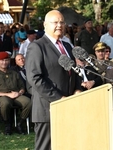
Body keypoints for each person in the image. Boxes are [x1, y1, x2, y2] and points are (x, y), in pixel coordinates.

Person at [26, 10, 80, 150]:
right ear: (45, 25)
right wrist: (58, 98)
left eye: (62, 22)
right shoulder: (37, 46)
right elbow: (35, 78)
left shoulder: (67, 46)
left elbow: (74, 71)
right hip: (47, 109)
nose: (59, 25)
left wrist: (78, 89)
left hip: (68, 105)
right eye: (55, 22)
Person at [0, 51, 32, 135]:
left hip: (17, 95)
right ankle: (7, 124)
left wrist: (19, 93)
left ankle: (20, 123)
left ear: (9, 61)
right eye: (2, 60)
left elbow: (22, 87)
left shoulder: (14, 73)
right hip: (3, 96)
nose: (4, 62)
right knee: (5, 103)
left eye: (6, 60)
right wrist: (8, 95)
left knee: (28, 102)